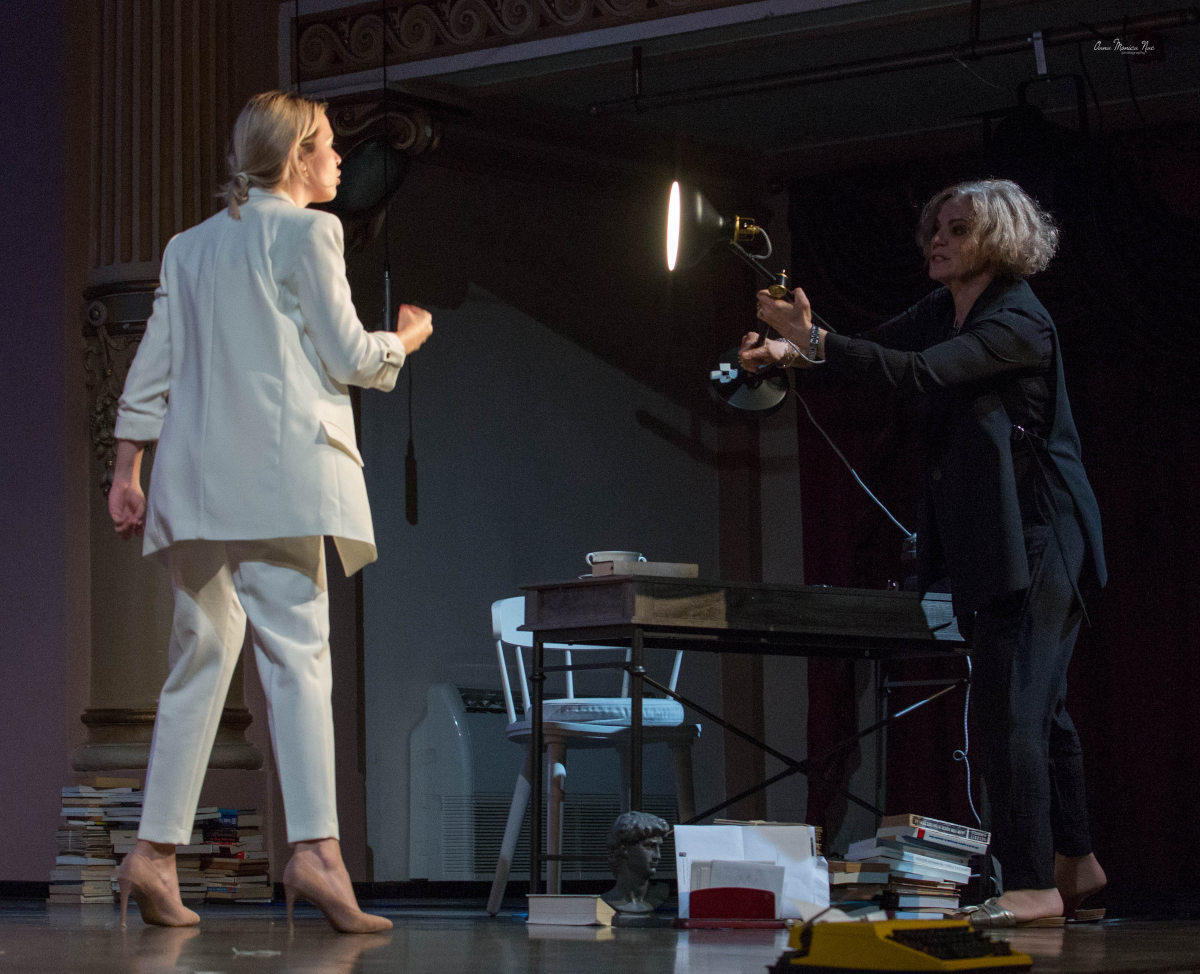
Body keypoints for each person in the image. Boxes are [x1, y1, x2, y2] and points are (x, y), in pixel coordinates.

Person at [740, 179, 1107, 927]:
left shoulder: (1019, 321)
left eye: (958, 229)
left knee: (1013, 708)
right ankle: (1077, 863)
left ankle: (1033, 885)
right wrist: (790, 348)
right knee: (1043, 710)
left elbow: (919, 373)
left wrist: (812, 344)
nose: (937, 238)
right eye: (936, 227)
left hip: (1043, 532)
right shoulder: (945, 308)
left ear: (998, 239)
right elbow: (876, 348)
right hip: (997, 535)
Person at [107, 91, 433, 932]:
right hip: (279, 478)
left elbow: (154, 360)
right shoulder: (309, 232)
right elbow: (349, 355)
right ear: (294, 158)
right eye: (326, 145)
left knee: (199, 661)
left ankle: (153, 853)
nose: (338, 160)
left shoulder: (187, 246)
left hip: (193, 485)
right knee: (297, 659)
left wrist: (127, 466)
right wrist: (403, 341)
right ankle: (317, 852)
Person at [602, 811, 671, 913]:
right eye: (650, 846)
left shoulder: (662, 897)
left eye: (659, 847)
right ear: (624, 850)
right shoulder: (605, 902)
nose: (658, 856)